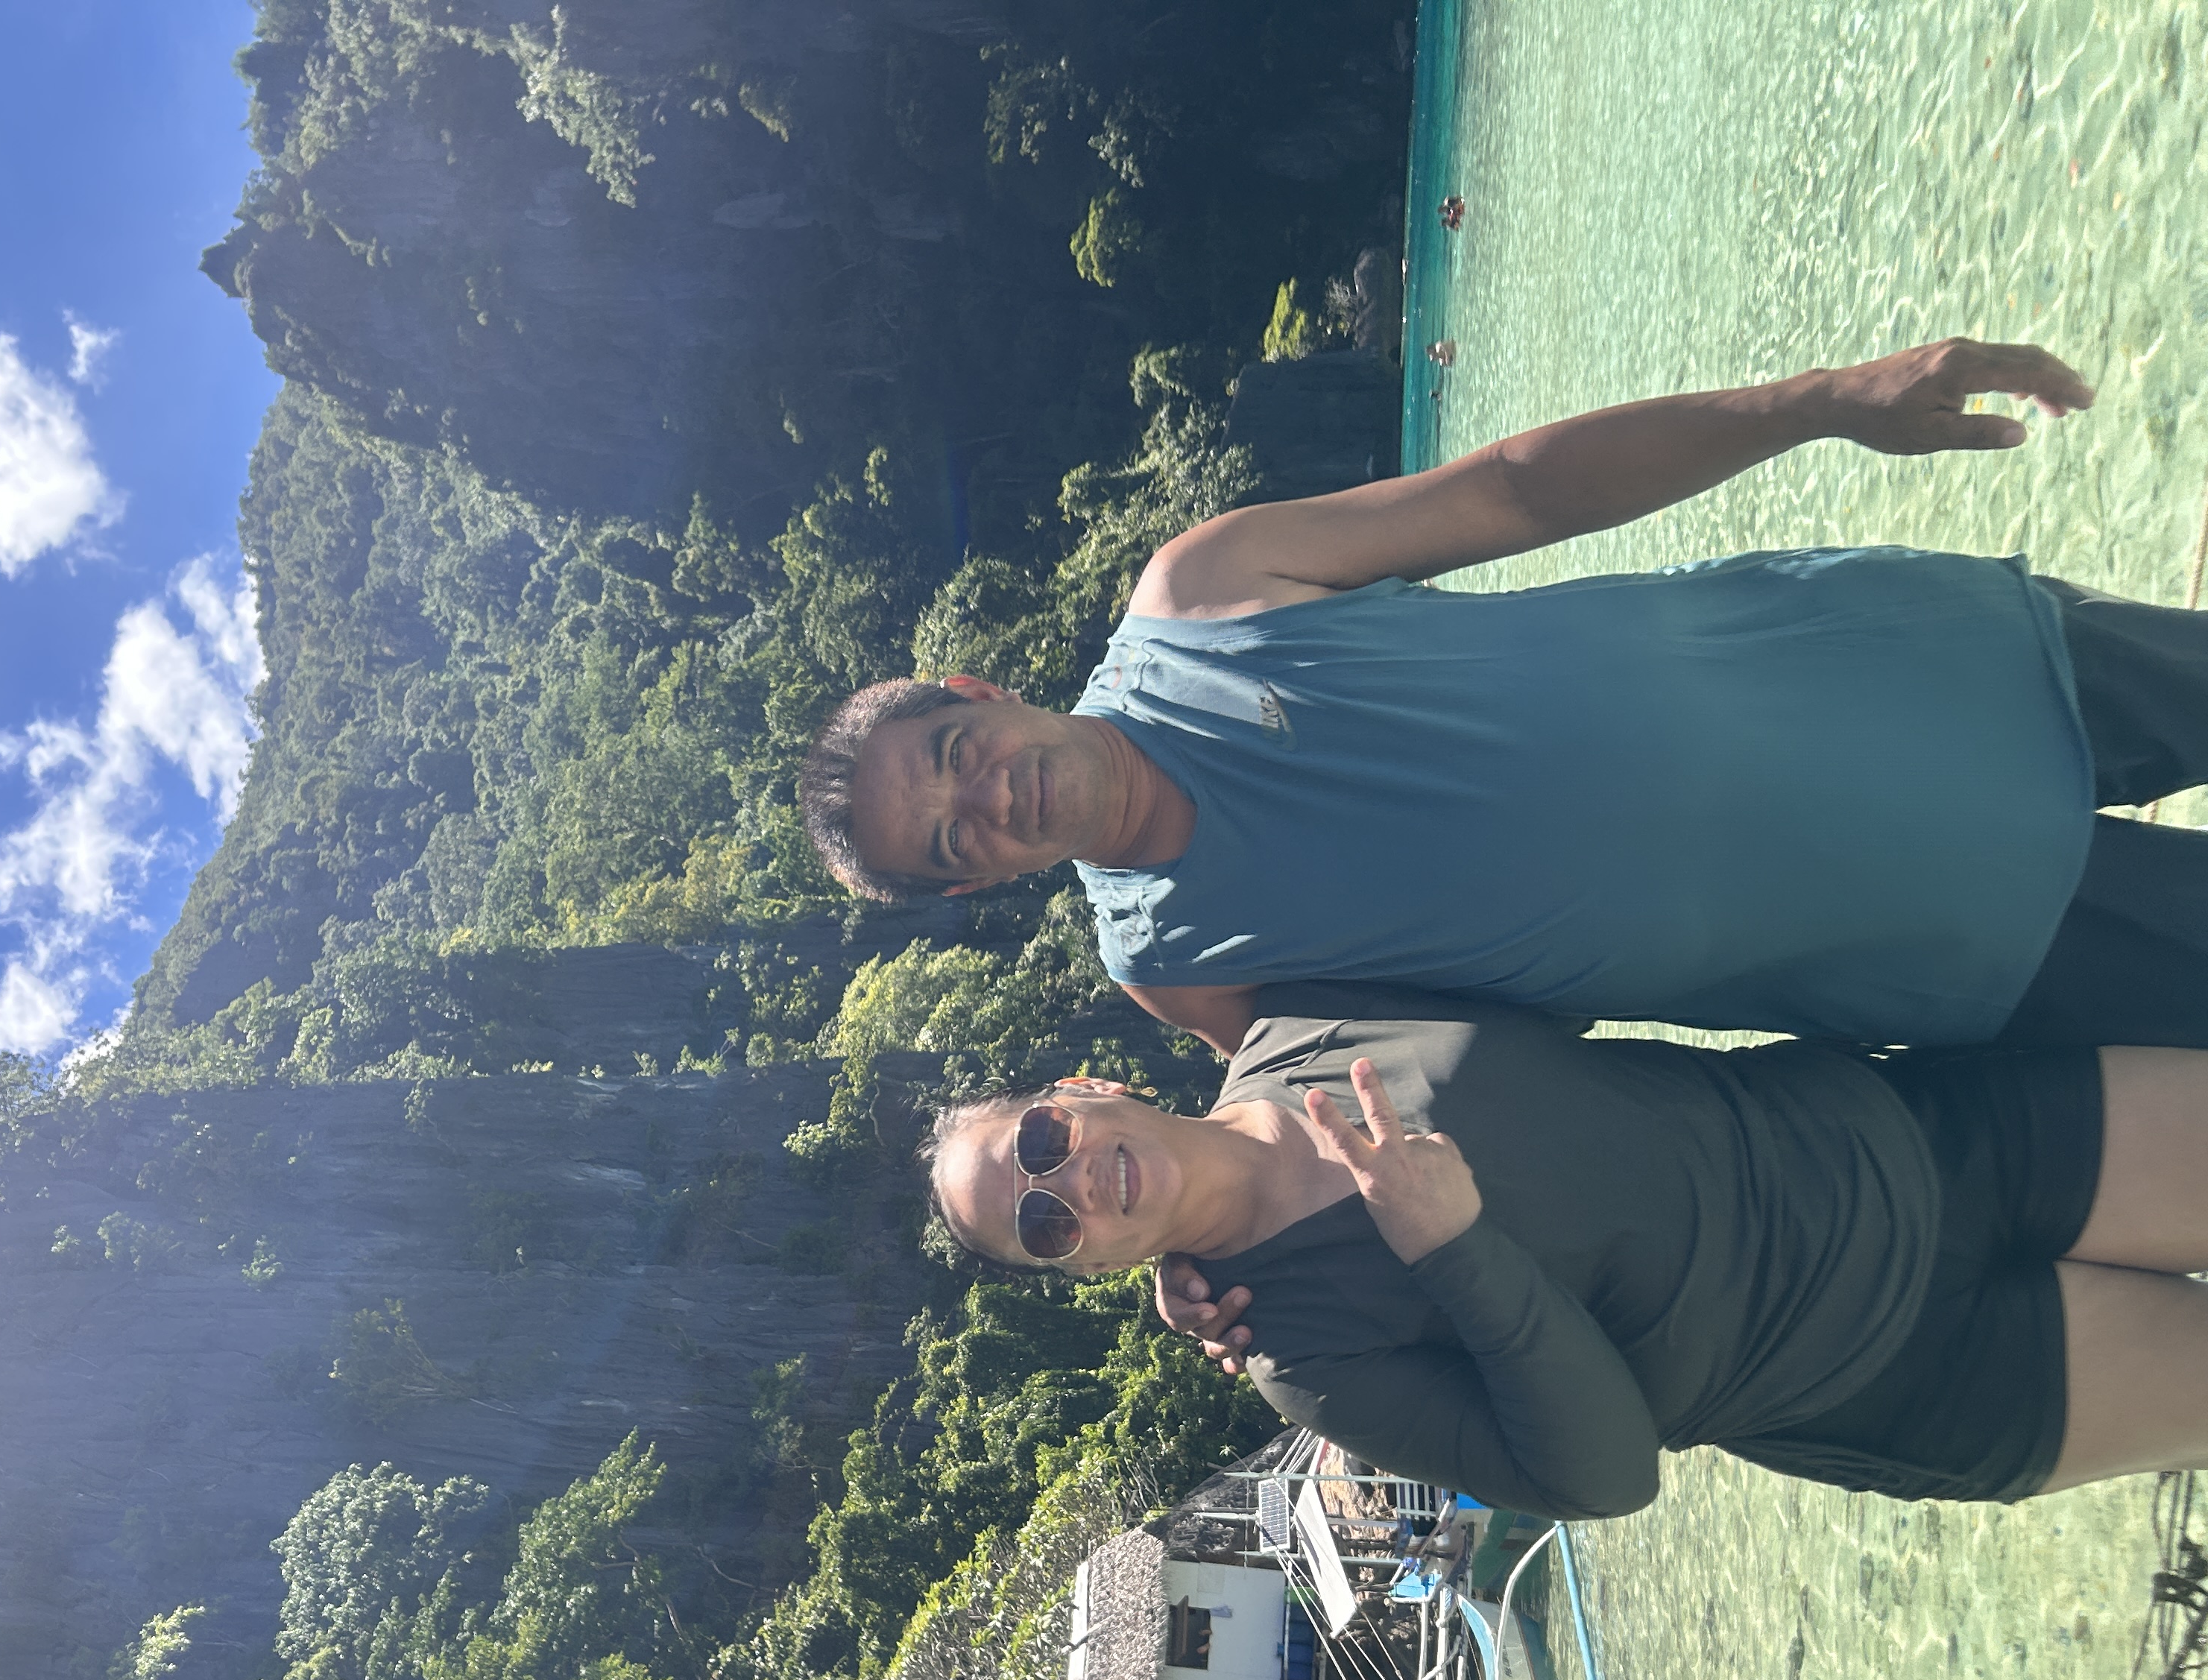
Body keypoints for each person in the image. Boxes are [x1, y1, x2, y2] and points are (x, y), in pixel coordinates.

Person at [800, 338, 2208, 1058]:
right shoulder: (1177, 968)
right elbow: (1474, 1090)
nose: (988, 796)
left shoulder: (1203, 594)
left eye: (956, 751)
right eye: (952, 837)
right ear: (975, 888)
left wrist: (1827, 399)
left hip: (1909, 675)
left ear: (976, 689)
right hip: (1922, 947)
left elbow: (1523, 491)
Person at [922, 983, 2208, 1516]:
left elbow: (1570, 960)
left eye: (1041, 1142)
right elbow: (1603, 1476)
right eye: (1045, 1227)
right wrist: (1455, 1246)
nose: (1071, 1185)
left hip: (1917, 1133)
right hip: (1899, 1370)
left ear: (1081, 1086)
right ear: (1082, 1270)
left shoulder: (1295, 1024)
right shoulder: (1302, 1356)